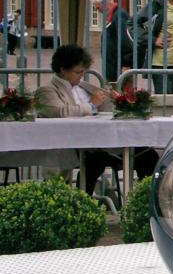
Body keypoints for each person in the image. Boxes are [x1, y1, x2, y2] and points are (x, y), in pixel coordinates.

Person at [33, 44, 156, 192]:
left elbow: (109, 110)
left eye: (82, 72)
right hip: (73, 146)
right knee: (94, 160)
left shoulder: (85, 87)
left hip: (100, 142)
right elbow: (62, 112)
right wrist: (91, 105)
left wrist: (118, 100)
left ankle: (147, 196)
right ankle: (84, 198)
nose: (81, 76)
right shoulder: (47, 91)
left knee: (147, 154)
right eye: (77, 72)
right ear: (62, 70)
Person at [91, 0, 139, 85]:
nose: (97, 9)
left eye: (97, 6)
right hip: (113, 68)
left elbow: (126, 41)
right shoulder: (113, 16)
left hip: (119, 69)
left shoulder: (119, 16)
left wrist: (127, 64)